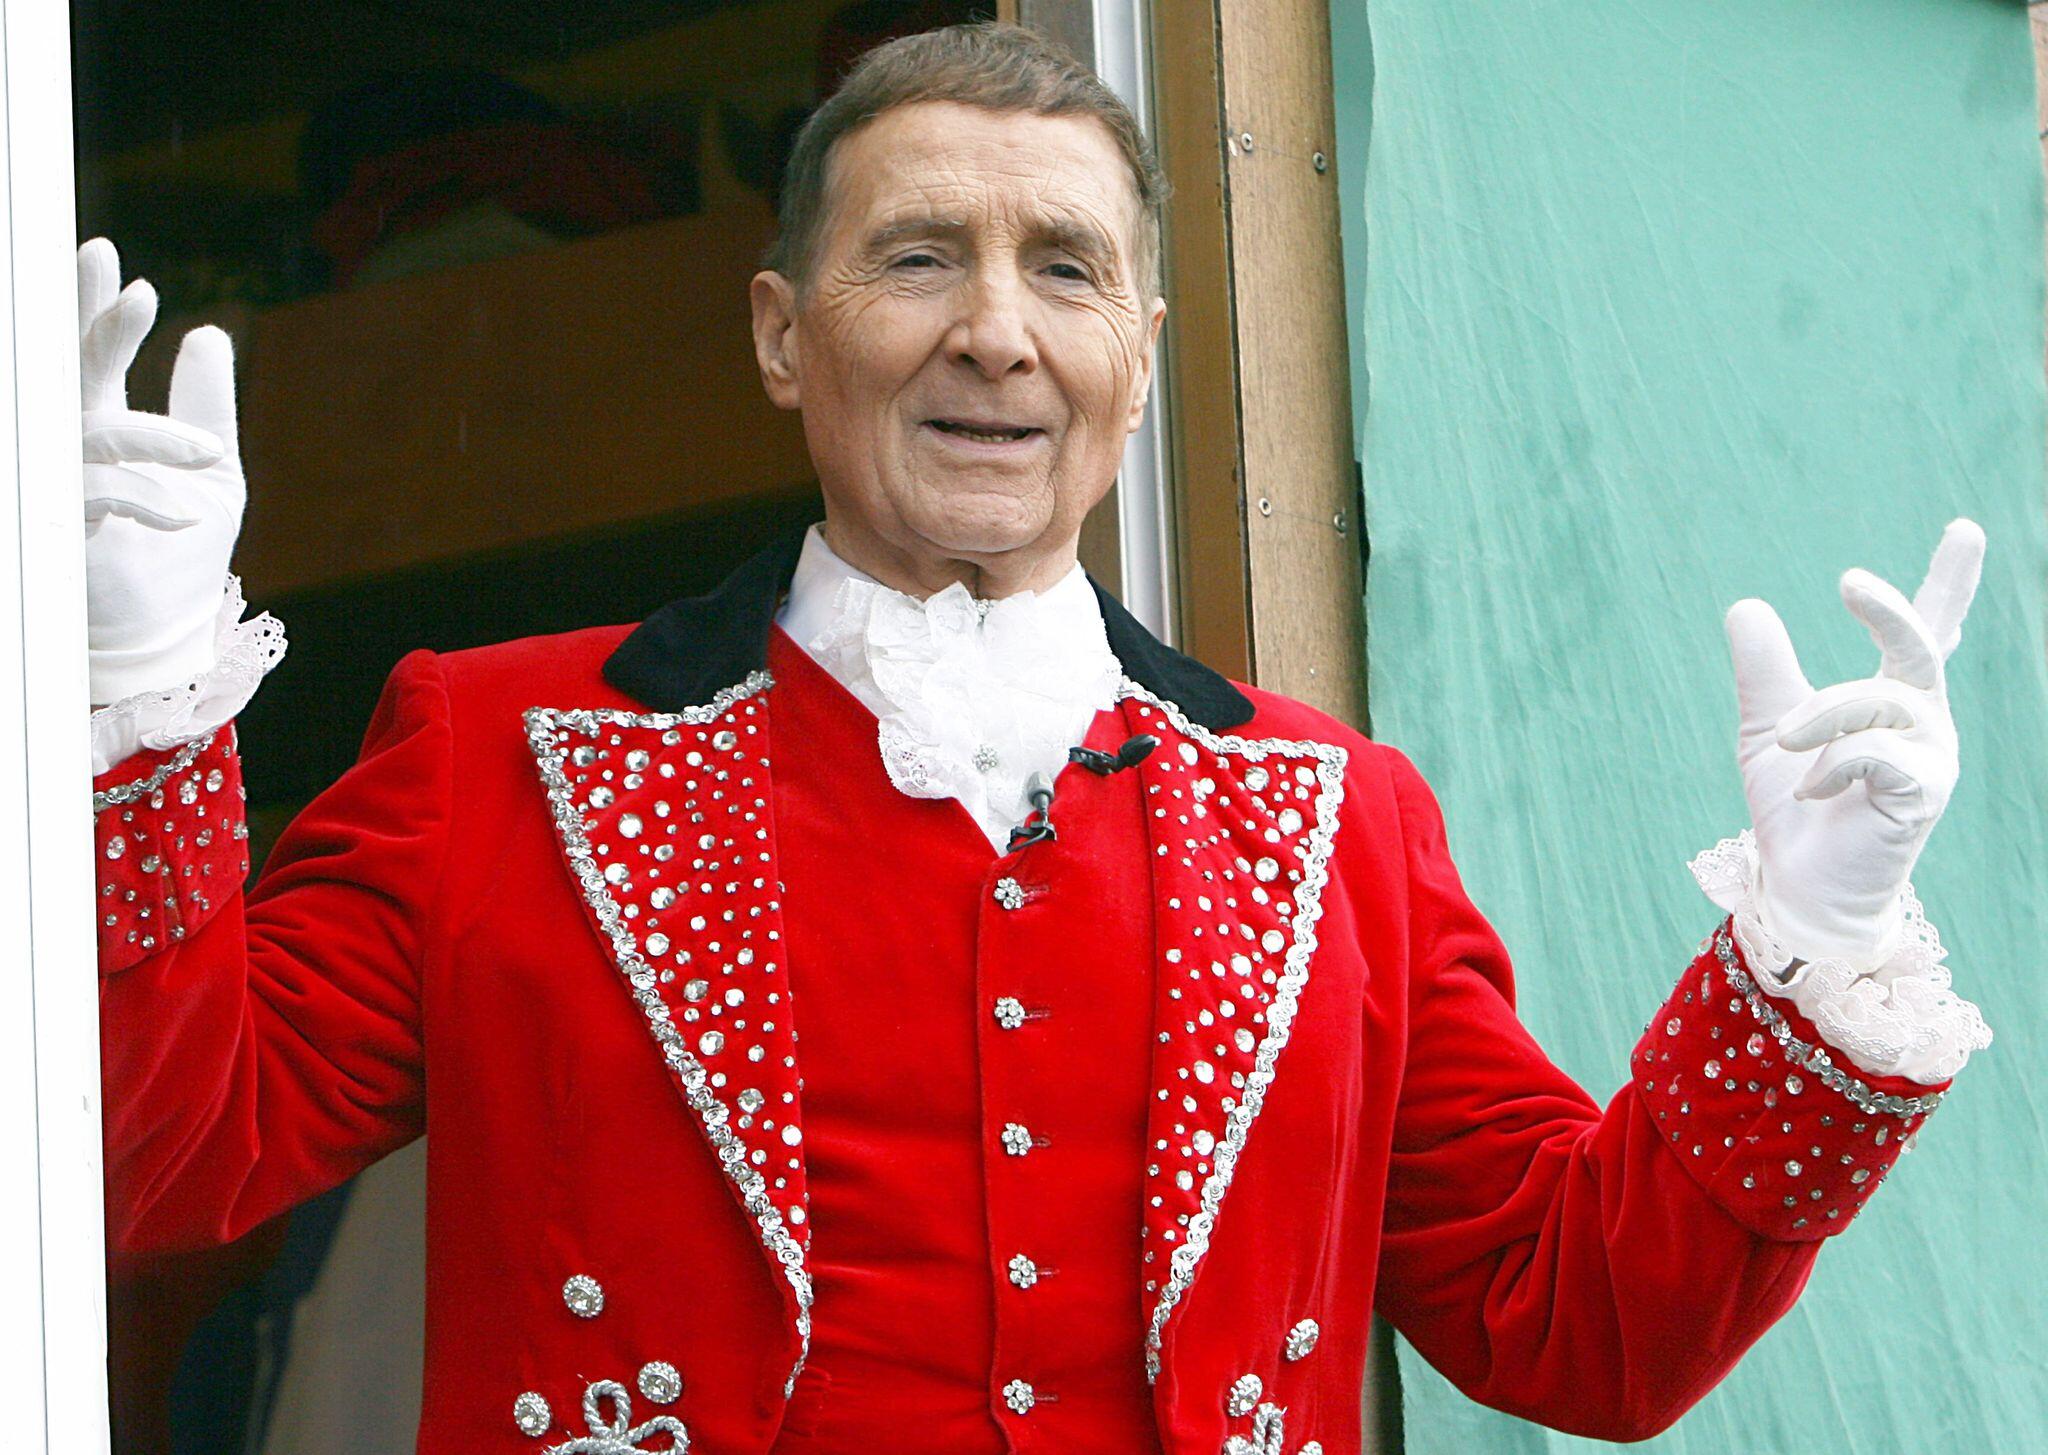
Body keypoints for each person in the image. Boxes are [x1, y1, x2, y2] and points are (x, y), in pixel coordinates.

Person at [79, 22, 1992, 1455]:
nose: (996, 332)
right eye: (919, 258)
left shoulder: (1340, 819)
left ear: (1140, 353)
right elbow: (152, 1166)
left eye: (1064, 269)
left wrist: (1810, 952)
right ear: (782, 335)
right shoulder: (500, 750)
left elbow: (1578, 1325)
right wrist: (133, 695)